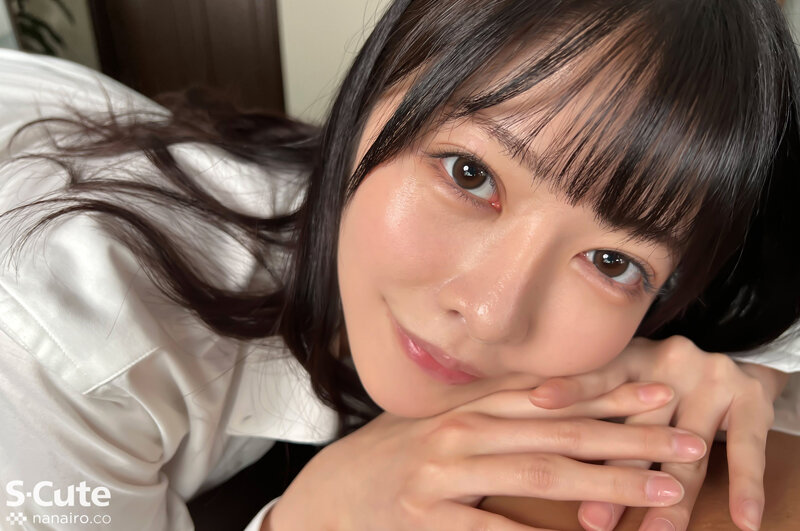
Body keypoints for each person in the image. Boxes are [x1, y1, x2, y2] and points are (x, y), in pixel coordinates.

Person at [0, 1, 798, 530]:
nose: (492, 311)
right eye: (470, 174)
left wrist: (745, 376)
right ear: (366, 101)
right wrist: (308, 516)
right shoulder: (55, 333)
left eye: (610, 260)